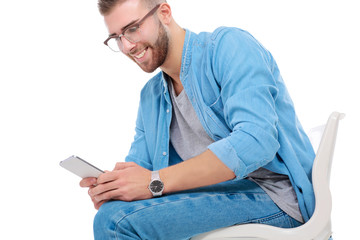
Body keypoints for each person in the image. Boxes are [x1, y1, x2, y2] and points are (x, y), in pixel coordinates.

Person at [80, 0, 316, 239]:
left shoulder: (229, 46)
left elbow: (256, 141)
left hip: (278, 198)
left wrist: (153, 182)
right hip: (221, 196)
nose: (127, 45)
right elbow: (141, 171)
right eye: (117, 37)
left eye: (132, 28)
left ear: (164, 13)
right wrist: (115, 187)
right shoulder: (151, 96)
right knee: (114, 211)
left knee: (116, 222)